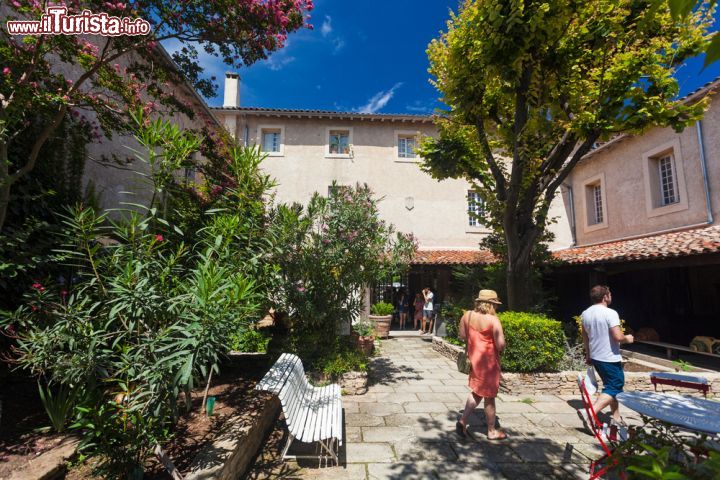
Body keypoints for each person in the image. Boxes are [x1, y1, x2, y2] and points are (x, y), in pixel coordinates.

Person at [581, 285, 634, 427]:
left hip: (596, 357)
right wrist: (628, 338)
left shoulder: (585, 313)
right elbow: (618, 337)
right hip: (609, 357)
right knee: (615, 386)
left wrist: (588, 354)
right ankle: (591, 415)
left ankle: (616, 418)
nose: (611, 296)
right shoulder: (610, 313)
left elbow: (585, 336)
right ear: (605, 297)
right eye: (610, 294)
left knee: (610, 386)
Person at [457, 289, 506, 440]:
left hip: (474, 360)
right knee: (489, 397)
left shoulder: (468, 315)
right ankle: (491, 431)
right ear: (491, 305)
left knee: (477, 391)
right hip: (489, 364)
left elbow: (462, 336)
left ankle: (463, 420)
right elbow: (501, 345)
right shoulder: (493, 320)